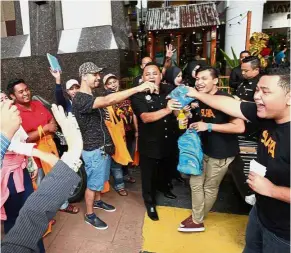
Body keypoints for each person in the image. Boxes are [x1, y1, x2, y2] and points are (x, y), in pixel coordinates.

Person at [186, 67, 290, 252]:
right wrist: (195, 94)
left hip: (283, 234)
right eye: (257, 90)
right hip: (260, 214)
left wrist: (272, 190)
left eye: (265, 92)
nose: (257, 96)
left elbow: (236, 126)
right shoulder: (268, 116)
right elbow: (229, 105)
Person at [72, 62, 157, 230]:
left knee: (100, 181)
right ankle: (89, 215)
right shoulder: (80, 98)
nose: (98, 77)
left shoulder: (90, 96)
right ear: (84, 76)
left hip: (102, 147)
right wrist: (137, 88)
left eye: (98, 74)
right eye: (94, 74)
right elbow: (108, 99)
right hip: (94, 148)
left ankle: (97, 202)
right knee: (93, 184)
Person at [1, 104, 83, 253]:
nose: (7, 104)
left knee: (28, 209)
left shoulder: (15, 121)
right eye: (1, 101)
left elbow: (31, 215)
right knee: (13, 217)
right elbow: (11, 145)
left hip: (23, 169)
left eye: (5, 98)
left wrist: (30, 163)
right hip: (8, 177)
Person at [178, 66, 245, 232]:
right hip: (202, 150)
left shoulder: (225, 99)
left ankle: (197, 219)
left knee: (209, 187)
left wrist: (208, 125)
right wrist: (188, 117)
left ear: (215, 81)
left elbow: (239, 127)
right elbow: (202, 118)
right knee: (195, 182)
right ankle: (197, 215)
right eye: (197, 79)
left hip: (221, 152)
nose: (199, 82)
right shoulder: (200, 98)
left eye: (204, 79)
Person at [6, 79, 79, 215]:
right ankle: (43, 212)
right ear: (12, 96)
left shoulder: (37, 104)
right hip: (33, 155)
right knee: (40, 184)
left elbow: (51, 118)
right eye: (21, 92)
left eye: (26, 89)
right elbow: (24, 138)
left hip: (50, 148)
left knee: (57, 178)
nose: (26, 93)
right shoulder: (14, 114)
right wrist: (45, 129)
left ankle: (63, 204)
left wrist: (50, 125)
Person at [131, 62, 185, 221]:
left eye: (155, 73)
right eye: (148, 74)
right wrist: (167, 109)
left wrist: (182, 112)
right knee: (148, 176)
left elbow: (178, 108)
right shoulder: (138, 96)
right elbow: (146, 118)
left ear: (161, 76)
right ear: (143, 78)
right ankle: (150, 203)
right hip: (150, 143)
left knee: (166, 169)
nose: (152, 76)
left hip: (168, 140)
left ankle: (165, 188)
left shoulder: (169, 90)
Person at [103, 73, 137, 196]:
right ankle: (119, 184)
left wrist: (137, 131)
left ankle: (126, 175)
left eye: (114, 82)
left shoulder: (124, 96)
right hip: (116, 135)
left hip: (129, 132)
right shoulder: (107, 101)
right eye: (109, 83)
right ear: (106, 87)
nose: (113, 85)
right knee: (117, 160)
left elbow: (132, 113)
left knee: (127, 156)